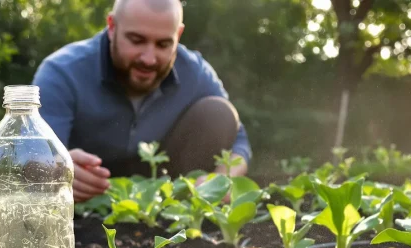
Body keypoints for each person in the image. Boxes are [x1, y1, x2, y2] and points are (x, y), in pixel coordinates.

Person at [32, 0, 252, 202]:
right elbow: (34, 155)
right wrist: (58, 170)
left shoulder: (195, 73)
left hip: (163, 199)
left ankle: (180, 213)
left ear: (178, 34)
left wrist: (221, 181)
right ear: (112, 27)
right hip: (84, 202)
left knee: (219, 113)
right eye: (137, 41)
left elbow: (239, 143)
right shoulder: (62, 72)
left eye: (163, 44)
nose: (149, 59)